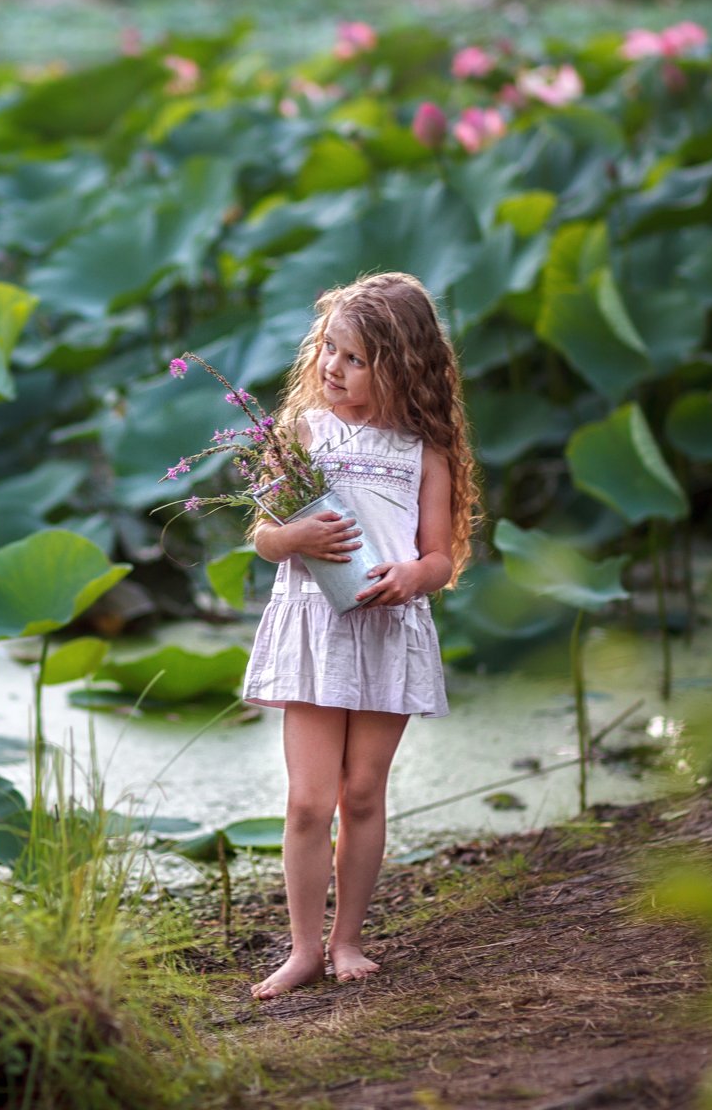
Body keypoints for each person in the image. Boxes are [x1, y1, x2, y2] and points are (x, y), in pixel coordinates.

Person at [242, 271, 478, 1000]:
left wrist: (415, 576)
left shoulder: (423, 452)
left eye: (353, 359)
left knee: (364, 794)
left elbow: (439, 556)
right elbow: (262, 537)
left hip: (386, 630)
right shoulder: (303, 434)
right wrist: (293, 537)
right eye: (328, 351)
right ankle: (304, 948)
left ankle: (349, 940)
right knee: (310, 800)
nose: (330, 369)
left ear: (401, 367)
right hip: (315, 628)